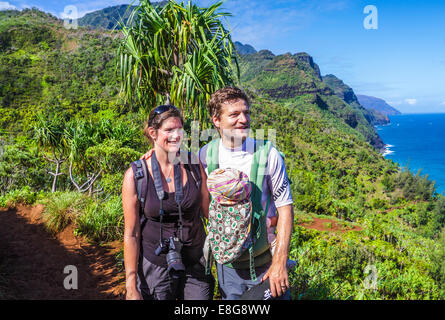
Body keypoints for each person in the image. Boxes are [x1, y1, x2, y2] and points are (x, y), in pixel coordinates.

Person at [198, 86, 294, 300]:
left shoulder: (269, 155)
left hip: (266, 265)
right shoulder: (205, 156)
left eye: (246, 113)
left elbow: (286, 210)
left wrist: (279, 263)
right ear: (216, 120)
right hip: (228, 268)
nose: (244, 119)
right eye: (234, 114)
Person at [122, 105, 214, 300]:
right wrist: (131, 284)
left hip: (195, 263)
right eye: (169, 130)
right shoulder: (137, 176)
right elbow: (131, 233)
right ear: (153, 133)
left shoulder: (194, 166)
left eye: (180, 129)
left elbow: (209, 213)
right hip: (156, 266)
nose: (176, 135)